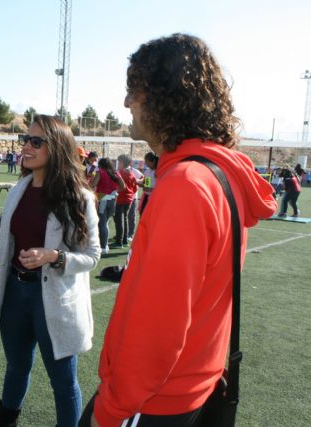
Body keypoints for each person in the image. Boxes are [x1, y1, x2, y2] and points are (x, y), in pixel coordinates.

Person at [84, 33, 276, 427]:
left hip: (155, 399)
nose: (126, 102)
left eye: (133, 90)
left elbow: (158, 325)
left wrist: (113, 408)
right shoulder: (214, 175)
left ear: (165, 95)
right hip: (190, 387)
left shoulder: (186, 184)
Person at [0, 115, 100, 427]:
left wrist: (55, 256)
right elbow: (15, 243)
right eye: (25, 140)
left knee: (63, 382)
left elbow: (92, 255)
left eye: (36, 141)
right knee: (16, 368)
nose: (26, 147)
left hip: (54, 301)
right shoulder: (19, 189)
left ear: (57, 148)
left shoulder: (79, 197)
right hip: (16, 296)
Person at [93, 157, 124, 254]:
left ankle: (103, 246)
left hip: (103, 200)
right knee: (105, 223)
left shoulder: (100, 172)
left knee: (102, 223)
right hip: (113, 200)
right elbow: (123, 186)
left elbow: (93, 184)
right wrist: (114, 192)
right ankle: (104, 245)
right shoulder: (115, 172)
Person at [112, 154, 137, 248]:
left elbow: (117, 185)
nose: (118, 164)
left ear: (122, 163)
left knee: (119, 220)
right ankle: (124, 240)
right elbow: (135, 188)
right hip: (129, 199)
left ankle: (119, 242)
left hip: (121, 199)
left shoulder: (120, 173)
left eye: (119, 162)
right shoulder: (131, 173)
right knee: (125, 219)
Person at [138, 151, 158, 216]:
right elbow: (147, 185)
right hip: (146, 198)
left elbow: (161, 188)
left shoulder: (158, 171)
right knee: (142, 215)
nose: (146, 164)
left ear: (153, 162)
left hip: (155, 199)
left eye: (147, 162)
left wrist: (150, 189)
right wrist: (139, 183)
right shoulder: (148, 171)